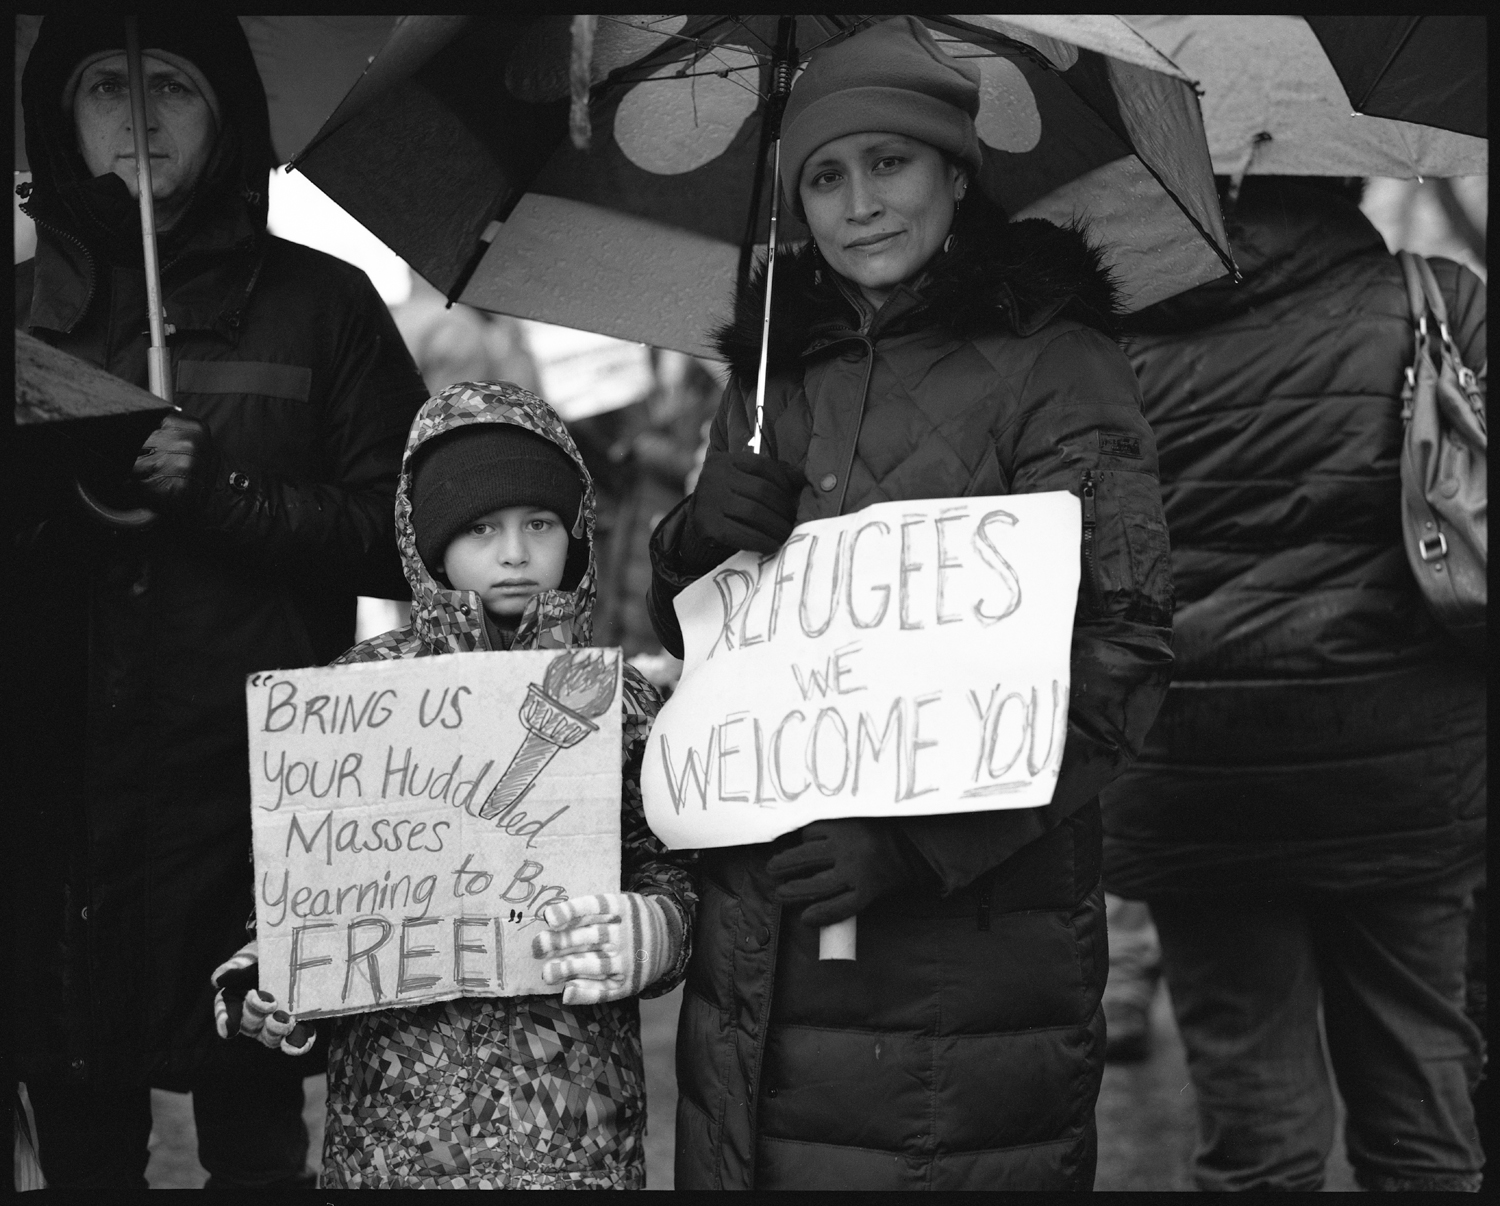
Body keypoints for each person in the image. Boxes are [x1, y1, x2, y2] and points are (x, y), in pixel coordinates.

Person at [645, 17, 1174, 1190]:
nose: (858, 204)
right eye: (825, 177)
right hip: (756, 949)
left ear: (954, 173)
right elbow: (710, 641)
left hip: (961, 969)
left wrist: (921, 844)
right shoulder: (776, 368)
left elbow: (1123, 655)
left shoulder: (1055, 363)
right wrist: (693, 541)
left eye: (890, 164)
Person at [12, 14, 428, 1190]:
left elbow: (407, 540)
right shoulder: (16, 309)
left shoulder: (325, 305)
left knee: (257, 1149)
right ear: (58, 112)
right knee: (82, 1150)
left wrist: (227, 494)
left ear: (226, 114)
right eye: (105, 86)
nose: (138, 115)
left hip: (255, 818)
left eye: (172, 88)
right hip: (59, 827)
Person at [211, 381, 699, 1188]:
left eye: (538, 524)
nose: (514, 552)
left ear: (573, 534)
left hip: (573, 1140)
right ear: (430, 544)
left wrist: (657, 933)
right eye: (481, 528)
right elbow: (311, 877)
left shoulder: (620, 701)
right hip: (394, 1144)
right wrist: (269, 977)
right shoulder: (359, 698)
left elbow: (670, 865)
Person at [1100, 175, 1486, 1192]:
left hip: (1194, 780)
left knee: (1256, 1128)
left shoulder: (1100, 342)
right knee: (1422, 1107)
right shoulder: (1433, 300)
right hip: (1405, 769)